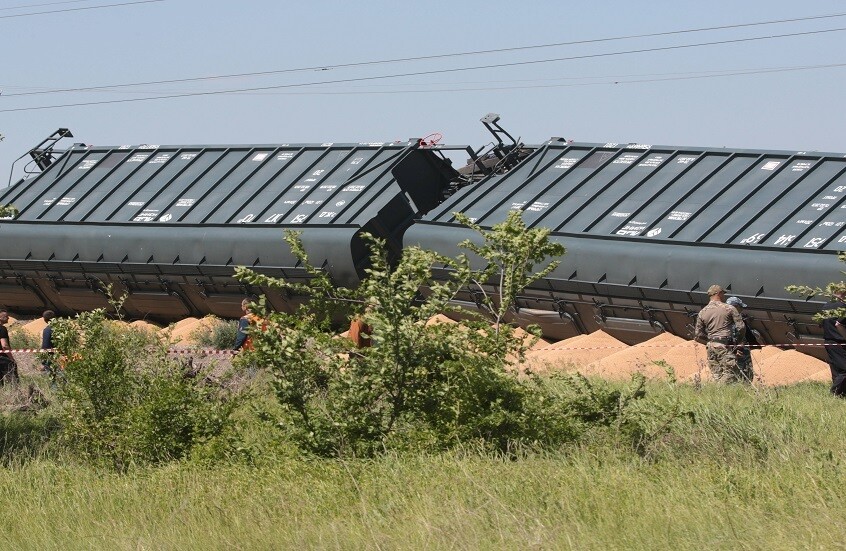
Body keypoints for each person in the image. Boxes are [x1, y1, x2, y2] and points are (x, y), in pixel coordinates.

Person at [694, 285, 746, 383]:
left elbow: (697, 335)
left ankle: (715, 394)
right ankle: (719, 390)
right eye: (723, 293)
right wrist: (738, 343)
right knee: (730, 373)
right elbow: (741, 327)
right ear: (718, 293)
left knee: (716, 374)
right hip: (725, 345)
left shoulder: (702, 312)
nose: (724, 296)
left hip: (711, 346)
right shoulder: (729, 308)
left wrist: (710, 341)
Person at [726, 297, 759, 383]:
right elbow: (748, 336)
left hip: (725, 353)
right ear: (735, 307)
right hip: (740, 353)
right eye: (741, 307)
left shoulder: (721, 320)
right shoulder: (738, 321)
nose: (742, 309)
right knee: (746, 376)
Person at [820, 291, 846, 396]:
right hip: (840, 342)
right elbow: (839, 324)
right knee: (844, 369)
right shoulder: (843, 307)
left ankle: (840, 394)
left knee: (836, 369)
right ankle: (834, 393)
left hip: (828, 341)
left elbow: (820, 323)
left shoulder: (826, 306)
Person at [0, 309, 18, 385]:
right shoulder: (2, 329)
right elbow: (4, 345)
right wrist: (11, 358)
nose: (8, 318)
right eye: (6, 316)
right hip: (3, 359)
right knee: (13, 382)